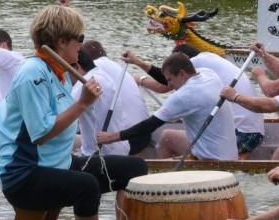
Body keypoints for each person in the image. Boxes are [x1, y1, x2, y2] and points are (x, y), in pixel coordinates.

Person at [0, 5, 147, 220]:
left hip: (57, 163)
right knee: (86, 185)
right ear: (62, 41)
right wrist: (83, 104)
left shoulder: (59, 72)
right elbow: (41, 134)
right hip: (24, 174)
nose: (81, 45)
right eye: (79, 39)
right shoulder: (33, 73)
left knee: (135, 168)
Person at [98, 52, 238, 161]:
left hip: (213, 160)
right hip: (230, 153)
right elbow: (164, 77)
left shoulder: (185, 95)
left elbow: (150, 125)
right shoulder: (208, 74)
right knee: (167, 136)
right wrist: (137, 61)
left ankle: (164, 183)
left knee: (162, 133)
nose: (169, 85)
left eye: (170, 80)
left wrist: (111, 137)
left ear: (182, 73)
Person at [172, 44, 265, 155]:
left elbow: (163, 86)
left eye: (173, 64)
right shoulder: (211, 59)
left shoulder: (194, 62)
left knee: (167, 137)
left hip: (242, 136)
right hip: (255, 136)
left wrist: (144, 74)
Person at [75, 40, 150, 154]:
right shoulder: (115, 66)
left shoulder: (93, 72)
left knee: (69, 135)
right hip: (144, 135)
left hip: (127, 138)